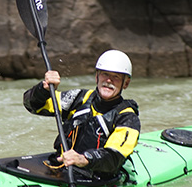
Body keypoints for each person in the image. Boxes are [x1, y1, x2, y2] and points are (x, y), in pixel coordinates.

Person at [23, 50, 140, 179]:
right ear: (97, 77)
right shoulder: (79, 98)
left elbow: (114, 157)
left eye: (116, 77)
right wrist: (43, 89)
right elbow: (33, 105)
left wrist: (83, 159)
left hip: (97, 177)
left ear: (126, 83)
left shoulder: (128, 118)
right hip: (63, 167)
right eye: (105, 74)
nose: (108, 80)